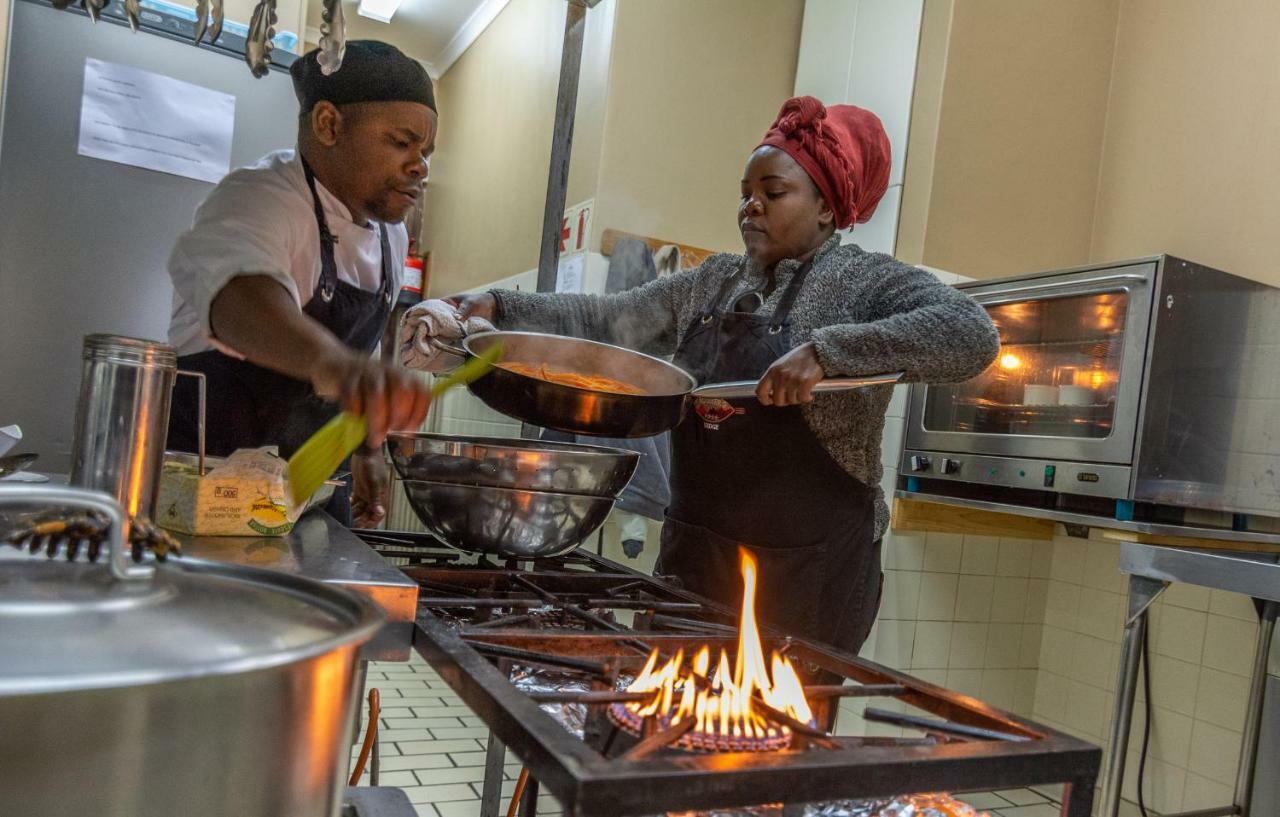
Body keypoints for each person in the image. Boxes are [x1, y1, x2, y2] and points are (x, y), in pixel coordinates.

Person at [436, 96, 999, 657]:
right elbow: (606, 319)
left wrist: (829, 351)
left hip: (810, 574)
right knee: (667, 721)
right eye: (745, 195)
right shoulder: (710, 282)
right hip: (696, 559)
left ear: (826, 208)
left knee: (778, 738)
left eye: (773, 194)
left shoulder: (865, 281)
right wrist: (495, 306)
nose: (751, 207)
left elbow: (970, 333)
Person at [166, 41, 437, 528]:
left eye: (426, 152)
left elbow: (367, 352)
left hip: (306, 495)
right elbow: (239, 297)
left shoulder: (392, 237)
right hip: (206, 490)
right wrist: (333, 364)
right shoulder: (259, 196)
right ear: (328, 124)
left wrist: (368, 449)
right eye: (402, 142)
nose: (421, 166)